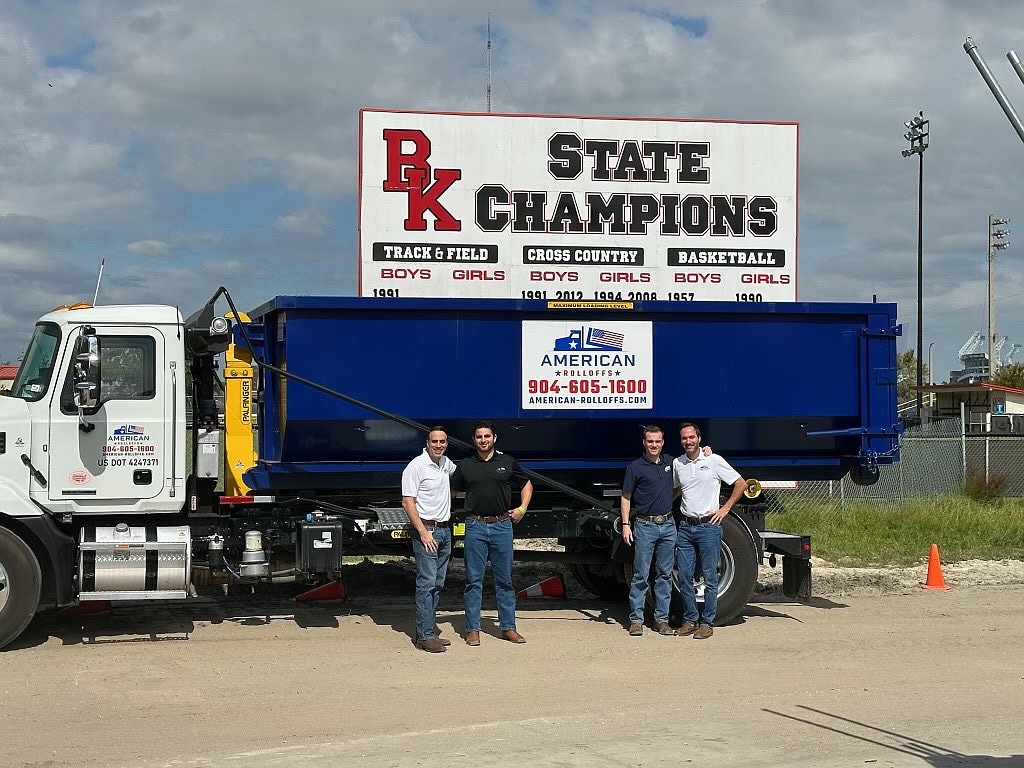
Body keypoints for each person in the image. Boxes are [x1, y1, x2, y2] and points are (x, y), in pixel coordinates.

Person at [451, 420, 533, 646]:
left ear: (494, 438)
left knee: (504, 580)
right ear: (474, 440)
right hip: (475, 525)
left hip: (502, 526)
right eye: (479, 437)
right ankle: (472, 629)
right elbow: (451, 491)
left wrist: (522, 509)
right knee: (473, 580)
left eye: (487, 436)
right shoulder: (465, 464)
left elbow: (526, 484)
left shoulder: (507, 462)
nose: (483, 440)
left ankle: (508, 628)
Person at [673, 422, 747, 640]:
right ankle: (690, 620)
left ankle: (707, 623)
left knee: (709, 577)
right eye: (684, 438)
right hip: (686, 527)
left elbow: (740, 483)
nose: (688, 441)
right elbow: (677, 490)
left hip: (708, 527)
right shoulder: (679, 463)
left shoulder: (713, 460)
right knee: (684, 575)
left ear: (698, 438)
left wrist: (725, 509)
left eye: (691, 437)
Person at [621, 425, 679, 637]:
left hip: (668, 525)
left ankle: (661, 620)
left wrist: (706, 451)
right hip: (644, 526)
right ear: (644, 443)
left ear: (663, 443)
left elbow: (692, 464)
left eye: (657, 441)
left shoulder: (671, 463)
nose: (654, 445)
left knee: (664, 575)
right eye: (650, 441)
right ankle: (636, 620)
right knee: (641, 575)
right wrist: (626, 525)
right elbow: (626, 497)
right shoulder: (635, 467)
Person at [402, 427, 456, 653]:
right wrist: (423, 532)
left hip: (444, 530)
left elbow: (459, 477)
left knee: (438, 583)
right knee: (426, 583)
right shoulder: (416, 466)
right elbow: (407, 501)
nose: (438, 445)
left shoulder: (446, 464)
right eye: (435, 441)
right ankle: (424, 636)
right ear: (427, 442)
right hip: (428, 532)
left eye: (442, 441)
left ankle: (428, 631)